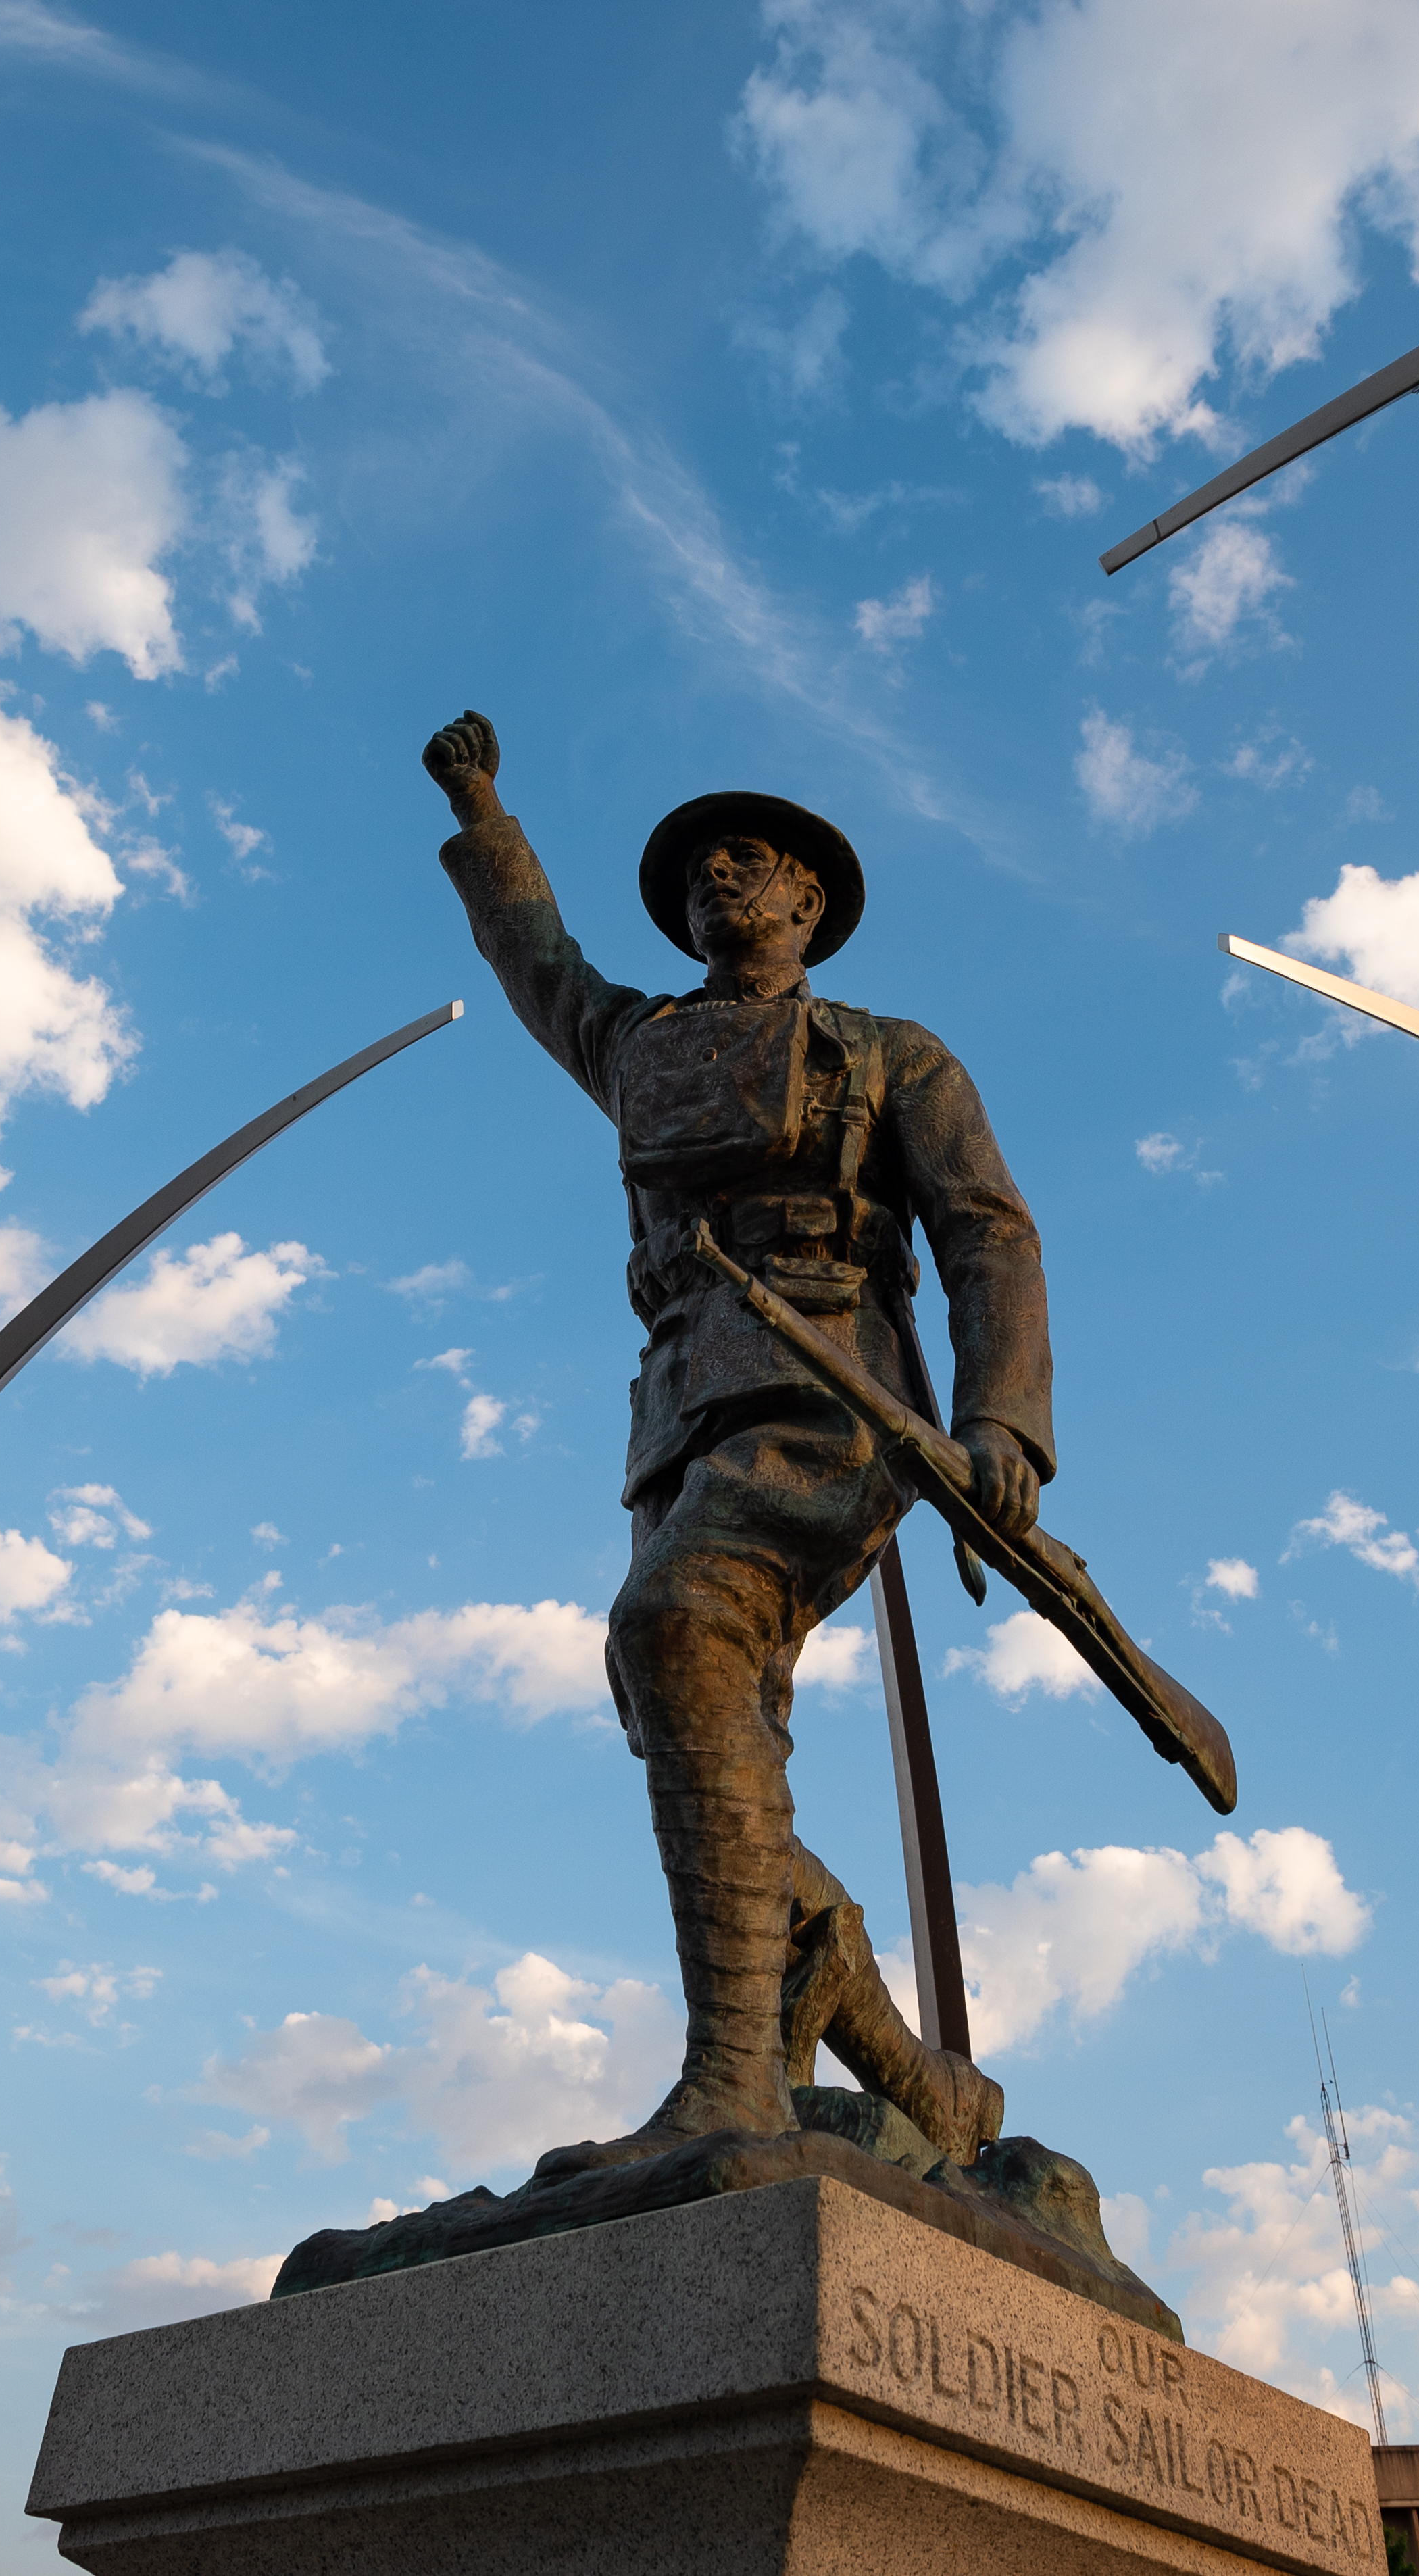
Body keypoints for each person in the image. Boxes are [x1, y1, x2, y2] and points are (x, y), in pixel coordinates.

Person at [421, 708, 1047, 2168]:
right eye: (702, 868)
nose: (718, 879)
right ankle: (923, 2087)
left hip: (838, 1394)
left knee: (678, 1621)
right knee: (694, 1720)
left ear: (808, 900)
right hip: (681, 1405)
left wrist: (999, 1419)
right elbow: (537, 965)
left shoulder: (890, 1056)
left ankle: (730, 2079)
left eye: (747, 862)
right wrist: (484, 813)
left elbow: (985, 1232)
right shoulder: (641, 1043)